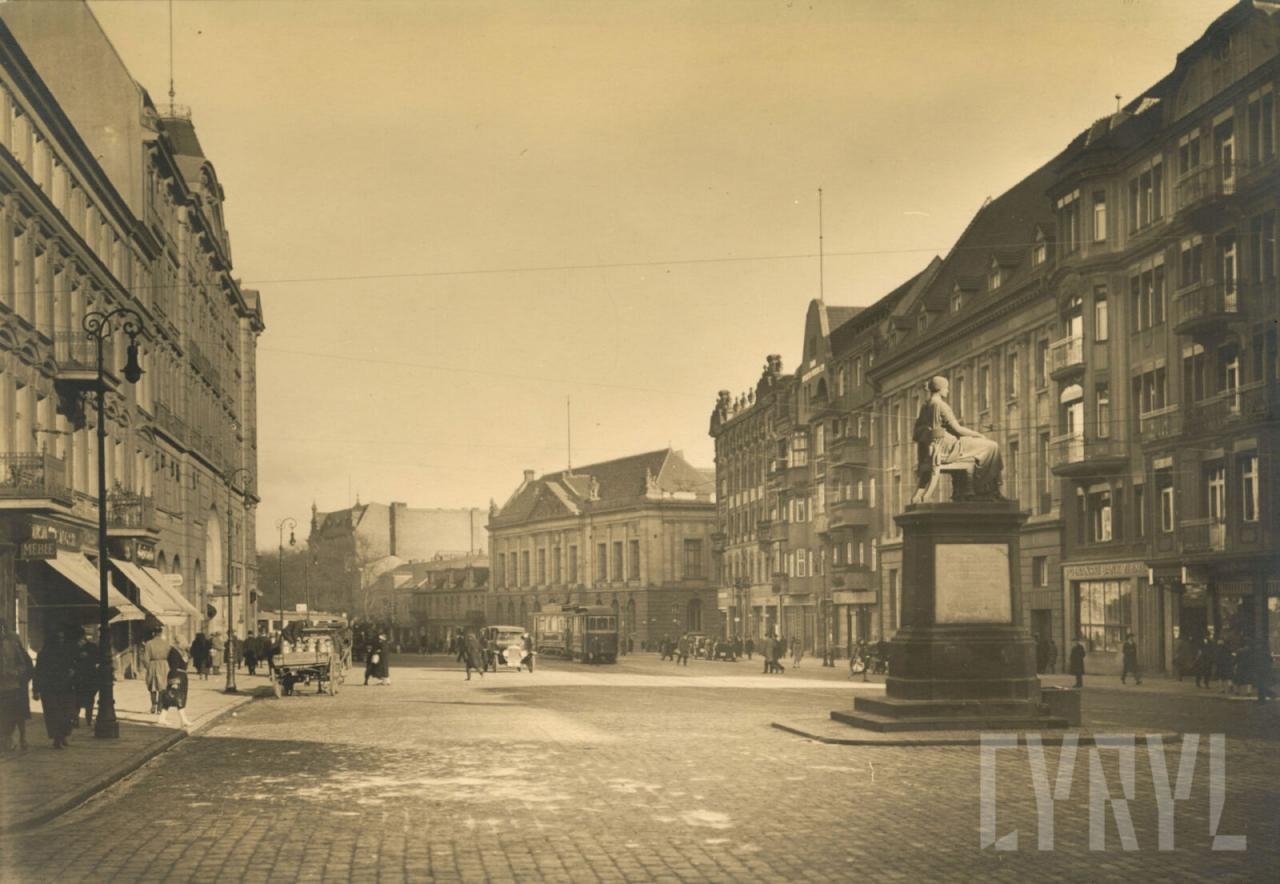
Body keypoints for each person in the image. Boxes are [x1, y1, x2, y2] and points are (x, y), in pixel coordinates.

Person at [911, 375, 1003, 501]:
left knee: (982, 446)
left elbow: (917, 433)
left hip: (934, 449)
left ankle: (973, 489)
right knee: (992, 446)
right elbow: (958, 429)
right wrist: (978, 435)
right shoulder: (941, 405)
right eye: (946, 388)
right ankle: (986, 490)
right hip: (949, 447)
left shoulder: (925, 406)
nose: (947, 391)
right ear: (940, 389)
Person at [32, 625, 78, 750]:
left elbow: (73, 666)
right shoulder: (44, 654)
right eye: (58, 638)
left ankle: (62, 736)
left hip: (65, 687)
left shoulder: (66, 652)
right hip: (49, 689)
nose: (61, 640)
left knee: (65, 714)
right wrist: (36, 690)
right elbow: (38, 672)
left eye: (62, 638)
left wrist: (72, 672)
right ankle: (57, 738)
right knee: (53, 714)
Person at [0, 618, 34, 752]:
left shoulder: (12, 645)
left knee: (15, 714)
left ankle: (17, 738)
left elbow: (23, 665)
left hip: (12, 686)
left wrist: (15, 672)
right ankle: (6, 740)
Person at [157, 644, 191, 729]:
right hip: (177, 676)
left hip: (182, 676)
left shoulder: (181, 651)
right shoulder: (174, 652)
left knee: (171, 698)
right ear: (179, 642)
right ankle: (183, 720)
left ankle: (162, 717)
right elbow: (174, 667)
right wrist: (174, 682)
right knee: (179, 698)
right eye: (183, 641)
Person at [72, 630, 100, 729]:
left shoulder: (92, 647)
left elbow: (98, 659)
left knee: (88, 700)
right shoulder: (74, 648)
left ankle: (88, 719)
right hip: (78, 678)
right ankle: (76, 719)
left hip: (89, 677)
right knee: (77, 700)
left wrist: (88, 657)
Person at [142, 629, 173, 714]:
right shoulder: (166, 643)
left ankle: (153, 705)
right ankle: (160, 707)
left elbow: (145, 658)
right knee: (162, 687)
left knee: (152, 686)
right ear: (161, 633)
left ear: (153, 633)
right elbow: (170, 656)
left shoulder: (149, 643)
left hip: (152, 664)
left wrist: (147, 667)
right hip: (164, 665)